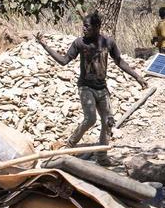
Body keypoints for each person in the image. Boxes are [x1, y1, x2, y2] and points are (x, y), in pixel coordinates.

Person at [37, 11, 148, 166]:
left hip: (102, 89)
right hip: (86, 88)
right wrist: (44, 45)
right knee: (90, 119)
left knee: (108, 121)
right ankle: (69, 145)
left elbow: (120, 62)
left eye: (87, 26)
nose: (84, 29)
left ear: (97, 27)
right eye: (83, 25)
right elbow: (63, 61)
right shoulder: (79, 43)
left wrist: (137, 76)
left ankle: (102, 157)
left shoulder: (108, 42)